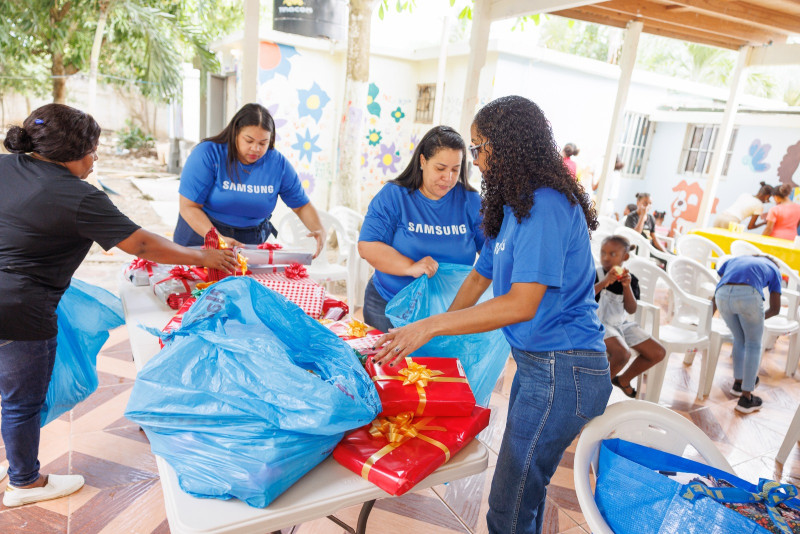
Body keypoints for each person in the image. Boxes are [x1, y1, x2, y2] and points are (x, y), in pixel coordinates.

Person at [372, 96, 611, 534]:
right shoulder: (513, 206)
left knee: (510, 505)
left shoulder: (547, 205)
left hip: (566, 369)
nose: (476, 161)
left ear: (509, 145)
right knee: (521, 498)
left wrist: (431, 325)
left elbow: (521, 303)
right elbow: (479, 279)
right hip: (540, 365)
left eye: (479, 149)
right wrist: (430, 336)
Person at [0, 104, 237, 507]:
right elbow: (141, 244)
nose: (95, 159)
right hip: (19, 307)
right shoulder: (78, 196)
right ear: (70, 152)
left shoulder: (6, 167)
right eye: (92, 150)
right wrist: (203, 257)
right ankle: (23, 483)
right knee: (20, 401)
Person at [358, 125, 484, 333]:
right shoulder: (394, 196)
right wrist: (411, 266)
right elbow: (367, 246)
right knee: (392, 365)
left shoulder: (470, 201)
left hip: (448, 313)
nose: (449, 178)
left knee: (437, 367)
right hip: (389, 307)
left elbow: (491, 253)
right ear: (423, 161)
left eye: (455, 169)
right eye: (440, 168)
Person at [174, 103, 325, 255]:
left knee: (244, 279)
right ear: (235, 134)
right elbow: (189, 206)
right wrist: (218, 238)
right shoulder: (208, 154)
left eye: (263, 143)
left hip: (249, 241)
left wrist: (318, 228)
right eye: (249, 141)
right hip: (201, 234)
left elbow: (301, 205)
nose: (256, 149)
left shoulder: (278, 164)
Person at [594, 236, 666, 398]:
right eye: (603, 253)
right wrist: (605, 282)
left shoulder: (630, 280)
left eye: (612, 254)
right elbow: (584, 297)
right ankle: (595, 393)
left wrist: (627, 287)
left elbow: (631, 309)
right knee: (622, 353)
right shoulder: (596, 274)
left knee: (658, 352)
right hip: (597, 323)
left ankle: (623, 379)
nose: (606, 258)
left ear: (624, 257)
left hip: (621, 324)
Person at [711, 255, 781, 413]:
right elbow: (776, 309)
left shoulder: (735, 260)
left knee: (739, 338)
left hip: (721, 296)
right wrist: (756, 320)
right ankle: (746, 398)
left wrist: (706, 317)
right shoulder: (774, 269)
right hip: (749, 295)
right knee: (753, 344)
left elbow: (720, 285)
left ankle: (738, 383)